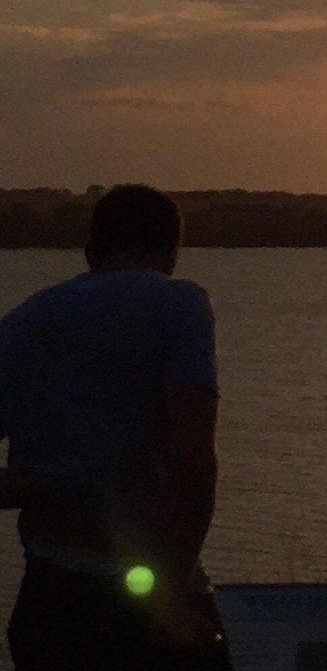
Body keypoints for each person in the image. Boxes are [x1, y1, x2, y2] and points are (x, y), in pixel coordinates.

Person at [0, 184, 233, 670]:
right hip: (149, 603)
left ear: (89, 252)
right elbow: (196, 461)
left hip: (49, 600)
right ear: (172, 253)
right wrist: (169, 594)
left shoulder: (21, 322)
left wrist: (50, 485)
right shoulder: (179, 305)